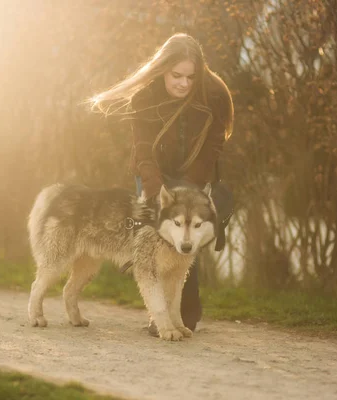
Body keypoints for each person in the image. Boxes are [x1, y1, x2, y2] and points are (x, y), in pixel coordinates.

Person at [91, 33, 234, 335]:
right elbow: (142, 149)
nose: (183, 83)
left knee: (185, 238)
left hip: (193, 173)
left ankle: (184, 315)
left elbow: (213, 147)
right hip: (152, 171)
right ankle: (159, 316)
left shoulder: (215, 94)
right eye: (176, 76)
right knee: (154, 240)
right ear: (164, 70)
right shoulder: (144, 96)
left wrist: (190, 190)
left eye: (190, 77)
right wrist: (154, 192)